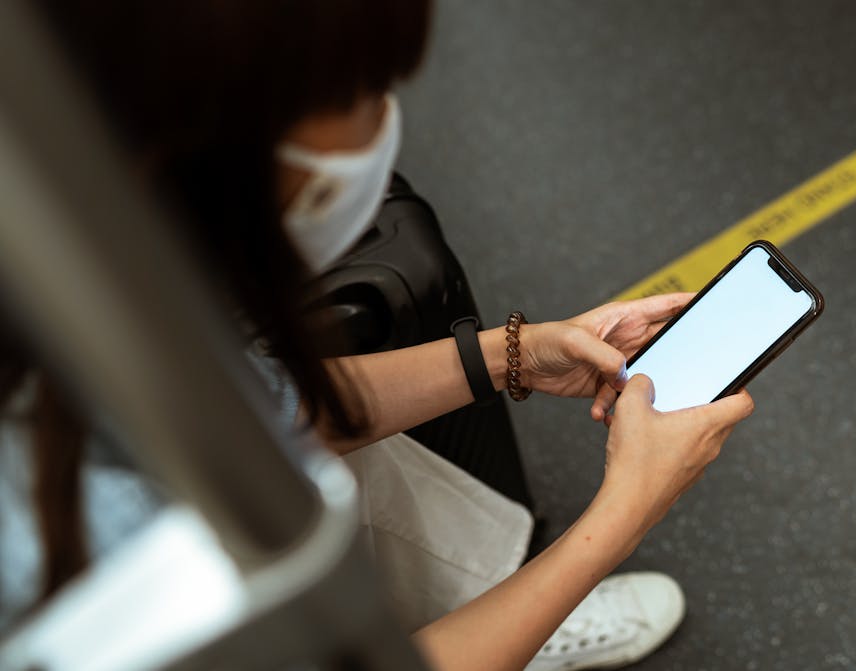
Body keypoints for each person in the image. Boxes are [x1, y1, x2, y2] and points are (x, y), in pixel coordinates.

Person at [0, 2, 755, 670]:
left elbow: (265, 414)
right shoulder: (85, 563)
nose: (385, 117)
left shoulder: (78, 287)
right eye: (362, 90)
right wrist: (622, 515)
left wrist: (514, 355)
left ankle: (504, 615)